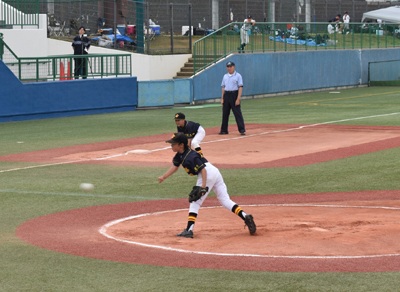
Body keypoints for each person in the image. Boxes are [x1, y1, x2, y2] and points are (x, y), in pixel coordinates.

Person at [158, 132, 256, 238]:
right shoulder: (180, 155)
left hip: (207, 173)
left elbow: (203, 170)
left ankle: (189, 230)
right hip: (214, 171)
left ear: (181, 145)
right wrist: (164, 177)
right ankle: (245, 216)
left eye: (173, 144)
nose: (171, 145)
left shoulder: (191, 156)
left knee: (195, 201)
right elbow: (175, 166)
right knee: (224, 200)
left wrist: (203, 186)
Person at [219, 61, 246, 135]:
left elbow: (240, 87)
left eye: (230, 66)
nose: (229, 68)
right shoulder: (225, 76)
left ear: (234, 67)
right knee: (225, 113)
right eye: (228, 67)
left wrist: (238, 99)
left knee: (237, 113)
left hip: (234, 94)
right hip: (227, 95)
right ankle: (224, 130)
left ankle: (242, 129)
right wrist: (222, 98)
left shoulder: (238, 76)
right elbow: (223, 87)